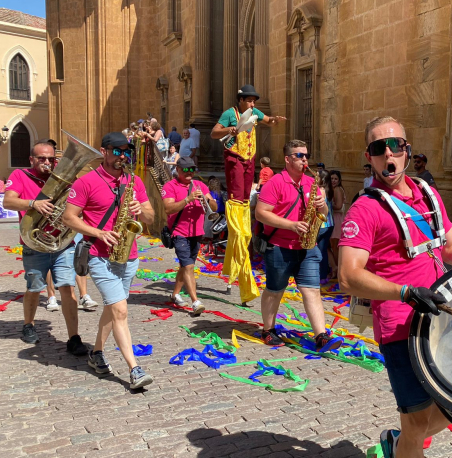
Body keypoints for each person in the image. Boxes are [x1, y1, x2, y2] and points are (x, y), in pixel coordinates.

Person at [339, 116, 452, 458]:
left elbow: (451, 244)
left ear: (407, 148)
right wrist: (405, 292)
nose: (388, 154)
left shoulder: (428, 192)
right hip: (399, 325)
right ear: (369, 158)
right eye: (378, 148)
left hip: (444, 317)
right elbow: (348, 274)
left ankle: (397, 444)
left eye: (395, 145)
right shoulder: (364, 208)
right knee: (415, 424)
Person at [63, 131, 156, 390]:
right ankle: (134, 369)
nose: (123, 156)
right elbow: (69, 218)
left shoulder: (134, 180)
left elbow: (150, 216)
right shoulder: (85, 182)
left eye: (127, 151)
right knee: (121, 310)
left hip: (129, 255)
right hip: (98, 256)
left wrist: (142, 210)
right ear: (103, 151)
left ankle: (97, 353)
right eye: (117, 151)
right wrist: (99, 232)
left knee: (112, 308)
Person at [2, 139, 86, 354]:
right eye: (42, 158)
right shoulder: (20, 175)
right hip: (34, 243)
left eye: (51, 158)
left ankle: (74, 338)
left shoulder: (63, 178)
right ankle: (28, 325)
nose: (47, 162)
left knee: (68, 287)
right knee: (34, 288)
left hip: (62, 244)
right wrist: (33, 203)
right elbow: (8, 202)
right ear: (32, 159)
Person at [255, 139, 339, 350]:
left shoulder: (312, 183)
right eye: (299, 156)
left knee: (312, 290)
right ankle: (268, 329)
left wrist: (322, 207)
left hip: (307, 246)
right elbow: (261, 213)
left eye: (306, 155)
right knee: (275, 290)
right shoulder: (275, 183)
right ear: (287, 159)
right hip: (279, 247)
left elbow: (325, 215)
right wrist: (291, 225)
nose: (304, 160)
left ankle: (321, 336)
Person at [211, 85, 286, 304]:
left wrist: (274, 121)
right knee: (236, 198)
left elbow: (267, 120)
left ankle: (243, 220)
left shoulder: (254, 113)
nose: (253, 104)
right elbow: (214, 132)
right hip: (234, 157)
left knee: (245, 198)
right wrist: (229, 131)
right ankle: (235, 224)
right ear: (241, 100)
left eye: (254, 101)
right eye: (249, 101)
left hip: (249, 158)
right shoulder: (229, 114)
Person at [163, 157, 217, 316]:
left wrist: (207, 200)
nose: (189, 173)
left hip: (197, 232)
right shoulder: (170, 186)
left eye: (192, 170)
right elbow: (168, 209)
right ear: (178, 170)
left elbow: (214, 207)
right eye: (186, 170)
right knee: (188, 267)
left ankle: (174, 295)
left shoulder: (200, 185)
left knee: (185, 265)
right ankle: (195, 301)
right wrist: (188, 199)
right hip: (179, 232)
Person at [328, 170, 347, 280]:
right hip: (336, 218)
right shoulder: (335, 189)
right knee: (334, 246)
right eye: (331, 179)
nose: (333, 181)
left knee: (335, 246)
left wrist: (327, 205)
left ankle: (337, 270)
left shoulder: (337, 190)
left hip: (336, 219)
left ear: (339, 180)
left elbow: (339, 206)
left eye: (335, 179)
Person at [316, 169, 334, 284]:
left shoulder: (321, 190)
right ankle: (323, 274)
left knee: (318, 251)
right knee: (323, 250)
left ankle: (320, 275)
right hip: (330, 224)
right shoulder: (329, 189)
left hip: (322, 225)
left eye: (317, 176)